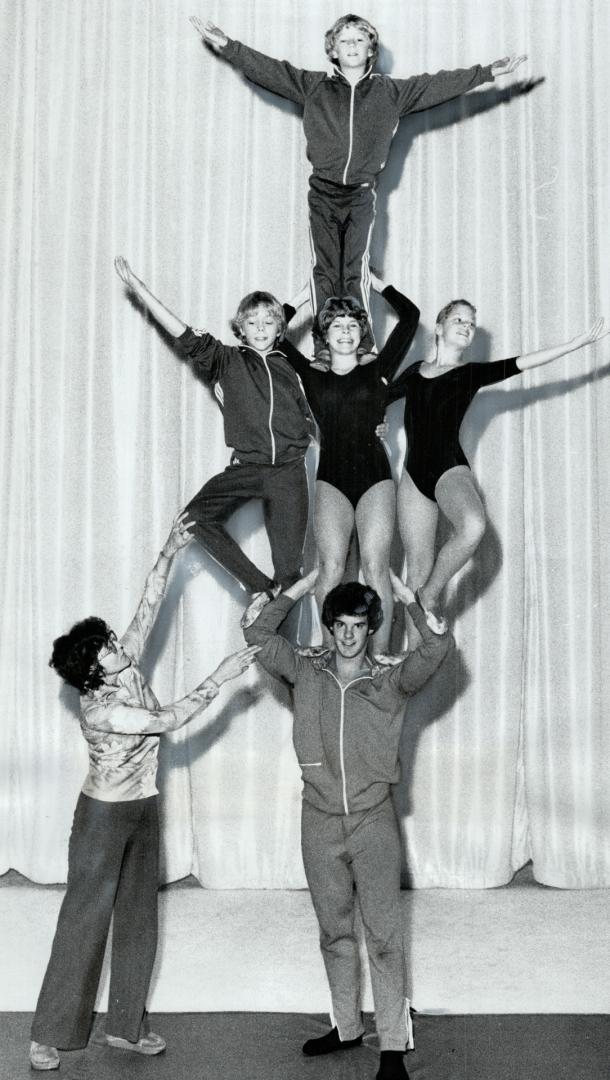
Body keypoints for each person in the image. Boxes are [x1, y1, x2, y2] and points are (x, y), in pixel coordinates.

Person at [29, 512, 260, 1071]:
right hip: (102, 819)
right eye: (106, 647)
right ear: (93, 674)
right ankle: (51, 1033)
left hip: (141, 808)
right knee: (86, 916)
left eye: (109, 638)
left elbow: (147, 607)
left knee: (138, 916)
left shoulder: (121, 664)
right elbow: (171, 718)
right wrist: (223, 675)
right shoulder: (104, 709)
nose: (116, 643)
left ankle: (126, 1027)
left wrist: (168, 551)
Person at [190, 12, 525, 353]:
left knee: (355, 271)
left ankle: (361, 347)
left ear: (370, 50)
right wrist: (227, 45)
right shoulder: (314, 85)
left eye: (359, 40)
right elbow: (271, 71)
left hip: (361, 194)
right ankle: (324, 347)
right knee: (324, 271)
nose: (352, 45)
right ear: (333, 49)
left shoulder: (390, 92)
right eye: (344, 40)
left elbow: (436, 85)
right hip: (323, 192)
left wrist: (486, 73)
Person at [243, 568, 453, 1080]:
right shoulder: (305, 669)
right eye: (339, 624)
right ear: (329, 626)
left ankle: (392, 1047)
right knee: (334, 931)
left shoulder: (389, 678)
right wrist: (298, 585)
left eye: (359, 625)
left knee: (382, 935)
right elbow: (255, 635)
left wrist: (413, 602)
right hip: (317, 821)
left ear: (371, 627)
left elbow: (437, 651)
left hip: (373, 821)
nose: (348, 635)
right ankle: (345, 1026)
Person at [114, 257, 315, 628]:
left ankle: (288, 651)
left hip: (289, 471)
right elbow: (184, 334)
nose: (260, 328)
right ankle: (259, 588)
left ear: (279, 328)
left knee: (292, 572)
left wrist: (303, 298)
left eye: (268, 323)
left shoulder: (289, 365)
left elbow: (318, 412)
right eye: (251, 322)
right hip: (249, 467)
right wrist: (141, 290)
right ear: (240, 328)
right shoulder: (225, 359)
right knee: (192, 519)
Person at [387, 301, 609, 633]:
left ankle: (429, 595)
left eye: (472, 323)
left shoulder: (471, 372)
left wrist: (576, 343)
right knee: (416, 569)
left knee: (472, 526)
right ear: (438, 327)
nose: (466, 325)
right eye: (459, 319)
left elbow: (521, 363)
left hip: (449, 470)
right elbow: (377, 399)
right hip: (412, 479)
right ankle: (411, 666)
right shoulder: (415, 371)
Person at [281, 274, 419, 653]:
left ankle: (378, 660)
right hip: (332, 480)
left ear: (362, 332)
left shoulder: (380, 370)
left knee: (376, 570)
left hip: (376, 479)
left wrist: (376, 283)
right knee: (330, 572)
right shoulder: (311, 375)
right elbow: (276, 334)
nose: (345, 331)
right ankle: (330, 657)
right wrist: (301, 296)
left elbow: (411, 317)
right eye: (337, 325)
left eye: (353, 324)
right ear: (325, 335)